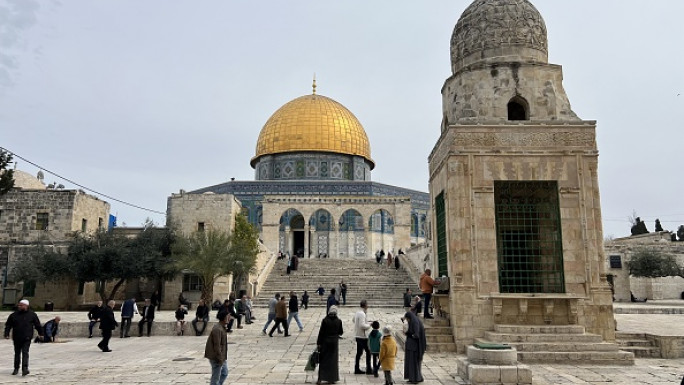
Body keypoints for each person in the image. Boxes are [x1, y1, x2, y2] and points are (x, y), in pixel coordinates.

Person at [4, 299, 43, 376]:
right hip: (17, 337)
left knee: (25, 353)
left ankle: (25, 368)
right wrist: (6, 334)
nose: (19, 306)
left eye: (21, 305)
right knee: (17, 353)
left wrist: (41, 333)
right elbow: (8, 325)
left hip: (27, 337)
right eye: (19, 305)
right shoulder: (13, 315)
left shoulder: (32, 315)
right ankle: (16, 368)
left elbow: (37, 325)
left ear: (26, 306)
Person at [316, 305, 343, 385]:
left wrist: (318, 343)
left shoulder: (325, 320)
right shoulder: (339, 321)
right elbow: (340, 332)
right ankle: (332, 378)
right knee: (333, 361)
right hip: (334, 342)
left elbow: (321, 332)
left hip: (325, 341)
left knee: (323, 360)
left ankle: (320, 378)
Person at [205, 311, 229, 385]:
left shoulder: (222, 327)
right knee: (215, 378)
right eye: (228, 317)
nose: (230, 318)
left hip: (222, 356)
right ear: (224, 319)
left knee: (224, 373)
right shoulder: (217, 329)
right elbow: (217, 346)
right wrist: (220, 359)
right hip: (216, 357)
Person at [403, 311, 426, 384]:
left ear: (409, 318)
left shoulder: (415, 322)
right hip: (412, 346)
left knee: (414, 363)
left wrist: (409, 335)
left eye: (407, 319)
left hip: (414, 347)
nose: (408, 321)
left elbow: (416, 335)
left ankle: (415, 379)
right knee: (413, 363)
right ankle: (417, 377)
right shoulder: (414, 320)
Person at [352, 300, 372, 375]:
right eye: (367, 305)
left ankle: (357, 368)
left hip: (358, 335)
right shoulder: (362, 314)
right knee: (368, 351)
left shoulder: (358, 312)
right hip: (362, 336)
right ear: (365, 305)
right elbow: (362, 326)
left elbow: (353, 320)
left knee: (359, 353)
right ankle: (369, 368)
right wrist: (370, 325)